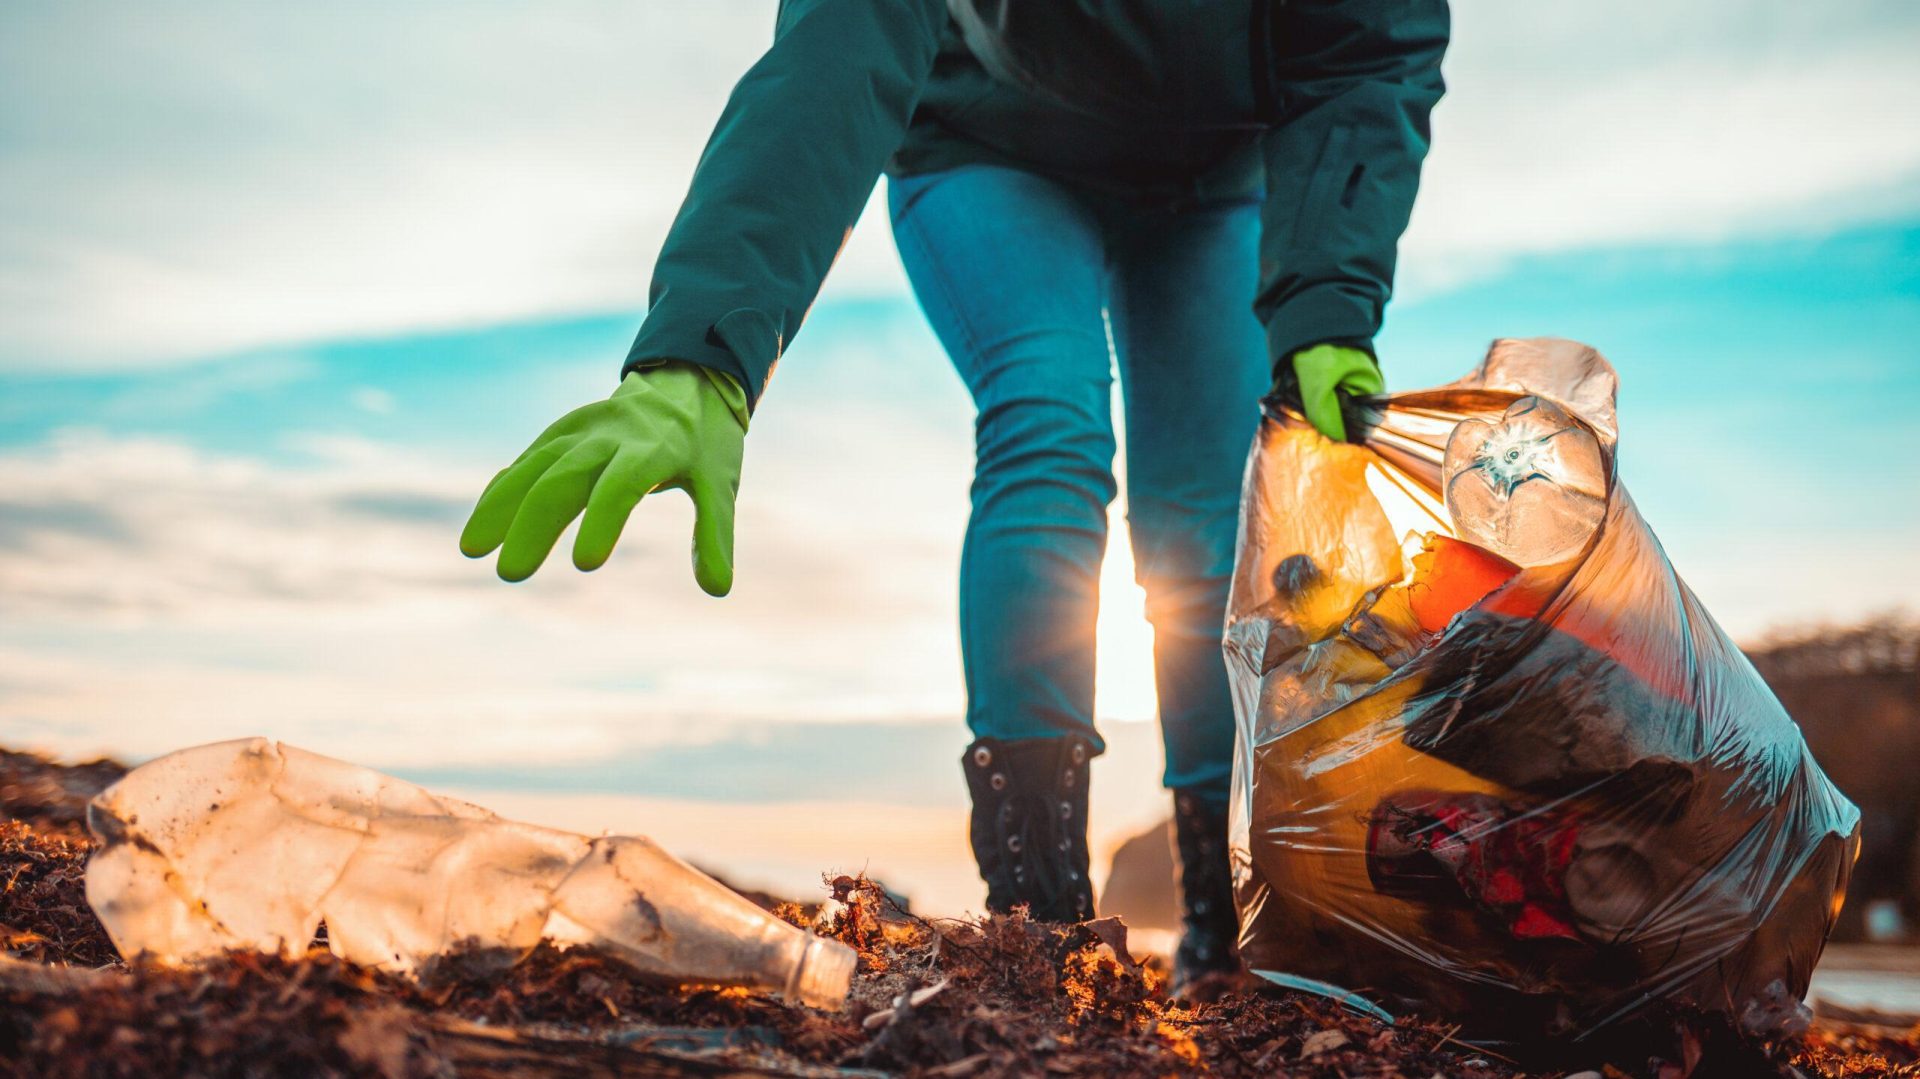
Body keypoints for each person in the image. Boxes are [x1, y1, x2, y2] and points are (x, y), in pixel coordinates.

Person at [459, 0, 1447, 993]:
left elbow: (1368, 44)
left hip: (1219, 174)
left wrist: (1326, 303)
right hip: (992, 141)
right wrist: (704, 345)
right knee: (1047, 423)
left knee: (1205, 526)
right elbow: (844, 42)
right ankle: (1040, 916)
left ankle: (1221, 916)